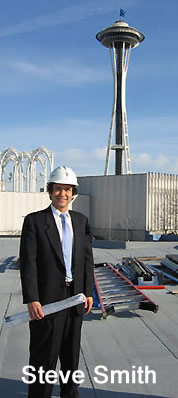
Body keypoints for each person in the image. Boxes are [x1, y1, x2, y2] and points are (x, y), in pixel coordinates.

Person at [20, 166, 94, 398]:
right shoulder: (35, 221)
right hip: (47, 301)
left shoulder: (81, 221)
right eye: (58, 189)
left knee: (71, 356)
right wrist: (32, 298)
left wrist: (88, 291)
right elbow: (28, 263)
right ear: (50, 191)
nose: (63, 194)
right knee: (44, 358)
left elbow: (86, 259)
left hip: (75, 299)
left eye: (67, 190)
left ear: (73, 194)